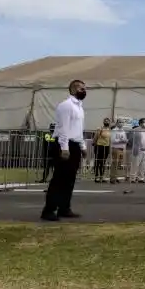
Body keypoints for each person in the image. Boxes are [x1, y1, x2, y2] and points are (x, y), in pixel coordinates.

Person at [41, 80, 87, 222]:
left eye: (84, 88)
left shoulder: (80, 107)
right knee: (59, 179)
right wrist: (64, 148)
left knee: (69, 180)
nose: (84, 90)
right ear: (73, 89)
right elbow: (63, 129)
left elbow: (78, 130)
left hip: (74, 145)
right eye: (81, 88)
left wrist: (83, 146)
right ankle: (49, 210)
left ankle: (64, 208)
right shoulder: (66, 106)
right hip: (64, 145)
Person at [130, 118, 145, 183]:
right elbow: (132, 140)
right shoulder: (136, 130)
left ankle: (141, 178)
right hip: (138, 150)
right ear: (140, 123)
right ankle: (133, 178)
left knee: (143, 165)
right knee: (135, 164)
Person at [92, 119, 111, 183]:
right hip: (99, 146)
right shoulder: (100, 128)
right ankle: (96, 176)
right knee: (98, 162)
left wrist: (110, 148)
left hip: (106, 147)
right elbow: (95, 137)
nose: (106, 122)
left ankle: (102, 177)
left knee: (103, 162)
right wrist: (94, 143)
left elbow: (110, 139)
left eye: (108, 121)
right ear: (103, 122)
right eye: (105, 121)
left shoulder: (110, 130)